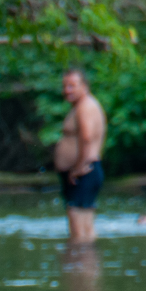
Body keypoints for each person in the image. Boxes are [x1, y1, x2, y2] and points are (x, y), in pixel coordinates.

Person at [54, 69, 107, 244]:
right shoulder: (83, 106)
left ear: (84, 86)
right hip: (85, 170)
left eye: (72, 86)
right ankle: (83, 260)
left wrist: (78, 168)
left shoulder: (85, 107)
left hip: (84, 172)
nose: (67, 90)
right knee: (83, 228)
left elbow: (87, 137)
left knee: (79, 230)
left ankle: (80, 260)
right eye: (65, 86)